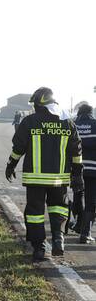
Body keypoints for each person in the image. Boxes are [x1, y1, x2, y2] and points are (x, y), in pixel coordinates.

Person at [5, 87, 83, 261]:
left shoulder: (29, 121)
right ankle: (58, 239)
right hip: (59, 179)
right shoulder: (68, 123)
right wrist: (77, 175)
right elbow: (77, 151)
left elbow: (18, 148)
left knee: (35, 213)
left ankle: (39, 248)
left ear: (40, 104)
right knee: (59, 208)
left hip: (35, 179)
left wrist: (11, 165)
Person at [73, 104, 96, 244]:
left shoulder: (72, 124)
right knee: (91, 201)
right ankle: (85, 233)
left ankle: (77, 224)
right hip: (93, 169)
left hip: (75, 169)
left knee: (77, 195)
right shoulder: (95, 124)